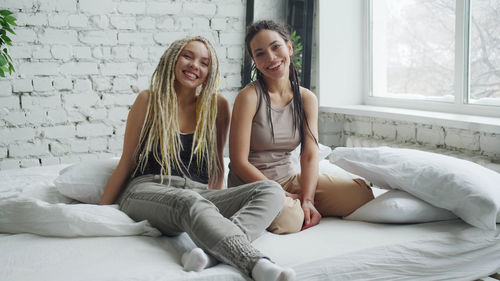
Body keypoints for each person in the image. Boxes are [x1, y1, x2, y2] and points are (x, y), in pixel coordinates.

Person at [99, 36, 296, 281]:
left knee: (271, 190)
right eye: (188, 56)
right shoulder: (148, 101)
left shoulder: (217, 106)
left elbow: (215, 168)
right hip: (146, 190)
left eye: (204, 63)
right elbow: (127, 162)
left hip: (198, 193)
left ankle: (210, 252)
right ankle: (255, 264)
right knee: (190, 200)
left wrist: (215, 203)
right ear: (173, 58)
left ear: (209, 73)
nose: (195, 66)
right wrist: (100, 215)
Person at [228, 20, 374, 231]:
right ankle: (289, 208)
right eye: (260, 54)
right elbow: (239, 162)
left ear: (289, 47)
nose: (270, 58)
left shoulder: (306, 98)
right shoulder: (249, 97)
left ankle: (300, 206)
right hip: (253, 185)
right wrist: (282, 194)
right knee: (290, 220)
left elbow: (309, 154)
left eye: (276, 47)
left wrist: (307, 197)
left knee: (361, 194)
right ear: (255, 61)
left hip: (289, 179)